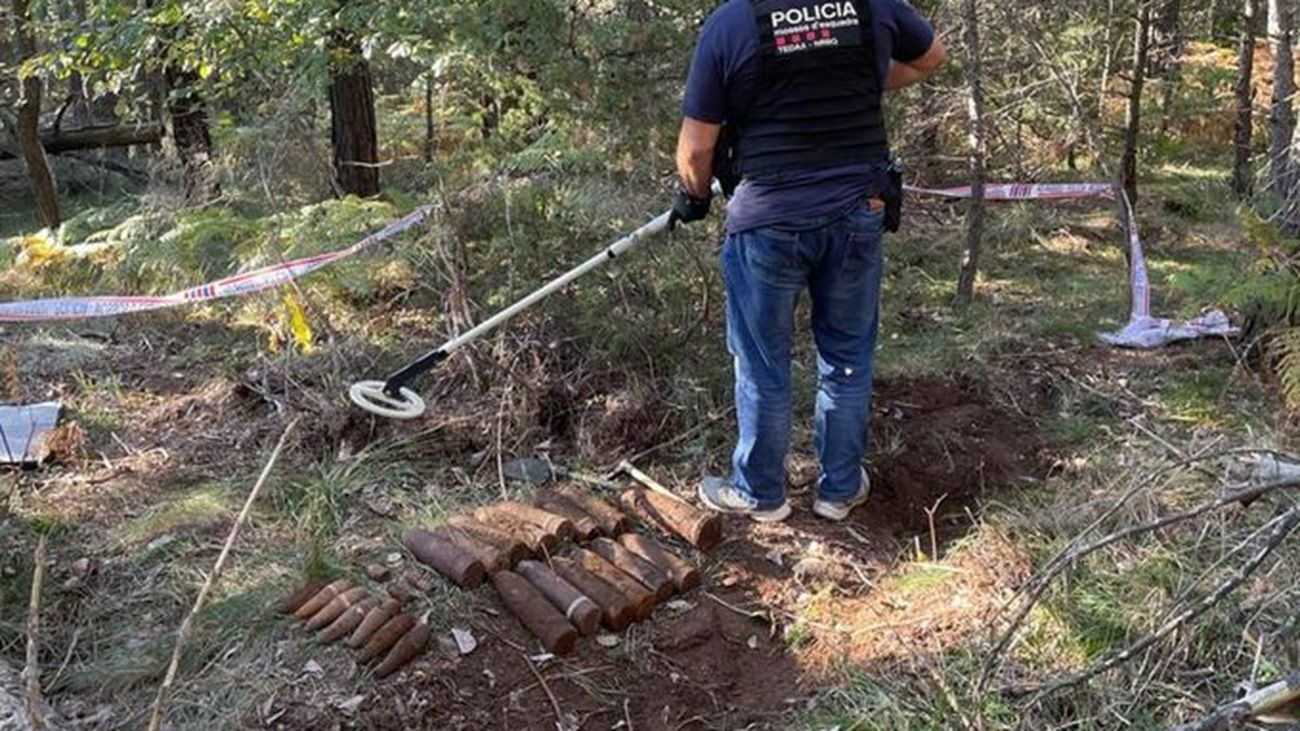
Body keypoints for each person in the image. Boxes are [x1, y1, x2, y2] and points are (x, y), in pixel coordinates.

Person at [670, 0, 946, 522]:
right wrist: (853, 79)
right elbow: (931, 56)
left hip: (768, 219)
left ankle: (760, 494)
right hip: (857, 209)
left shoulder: (733, 22)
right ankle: (839, 490)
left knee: (762, 362)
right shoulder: (870, 7)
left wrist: (696, 195)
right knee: (846, 355)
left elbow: (696, 148)